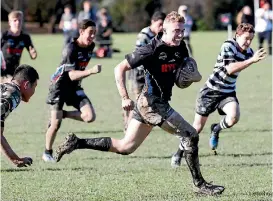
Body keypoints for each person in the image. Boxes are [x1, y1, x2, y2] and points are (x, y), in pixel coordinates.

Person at [54, 11, 225, 196]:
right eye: (176, 30)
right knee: (191, 135)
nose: (180, 34)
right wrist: (124, 97)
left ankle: (76, 142)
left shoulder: (181, 47)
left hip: (154, 103)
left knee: (125, 147)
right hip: (152, 104)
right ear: (164, 29)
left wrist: (193, 76)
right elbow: (119, 69)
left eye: (182, 30)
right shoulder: (151, 49)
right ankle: (200, 185)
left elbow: (185, 75)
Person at [171, 23, 267, 167]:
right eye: (246, 38)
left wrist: (251, 58)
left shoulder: (248, 52)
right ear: (237, 35)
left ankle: (216, 129)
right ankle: (178, 153)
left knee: (234, 116)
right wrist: (251, 60)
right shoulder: (228, 46)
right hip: (210, 91)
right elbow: (230, 68)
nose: (248, 43)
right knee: (196, 128)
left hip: (227, 92)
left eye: (251, 40)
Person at [42, 19, 102, 162]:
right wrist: (91, 71)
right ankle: (47, 152)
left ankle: (63, 114)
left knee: (89, 116)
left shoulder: (90, 46)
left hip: (74, 87)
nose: (93, 36)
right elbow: (71, 74)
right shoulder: (70, 49)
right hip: (59, 87)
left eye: (95, 33)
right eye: (90, 33)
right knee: (55, 125)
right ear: (81, 32)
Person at [124, 11, 166, 132]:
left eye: (163, 24)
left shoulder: (160, 35)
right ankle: (128, 129)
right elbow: (138, 57)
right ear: (152, 22)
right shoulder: (144, 35)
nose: (161, 27)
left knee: (145, 102)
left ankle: (133, 127)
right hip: (137, 74)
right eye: (160, 24)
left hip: (149, 75)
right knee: (137, 103)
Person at [1, 64, 39, 167]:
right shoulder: (14, 95)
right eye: (34, 87)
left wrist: (16, 159)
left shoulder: (6, 87)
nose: (34, 92)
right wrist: (16, 159)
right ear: (26, 85)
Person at [1, 11, 37, 82]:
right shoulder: (4, 36)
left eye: (19, 20)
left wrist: (33, 54)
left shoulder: (25, 37)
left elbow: (33, 55)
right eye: (15, 20)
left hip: (15, 72)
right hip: (2, 73)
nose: (17, 22)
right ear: (9, 22)